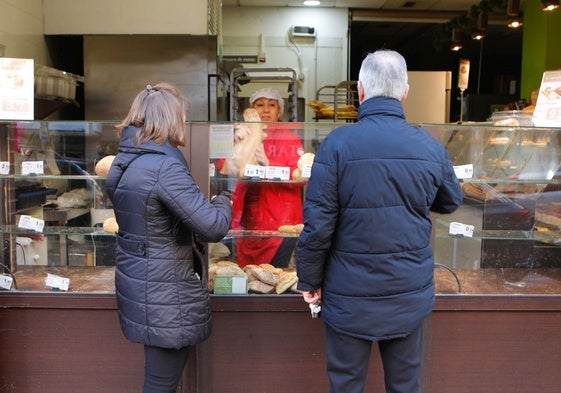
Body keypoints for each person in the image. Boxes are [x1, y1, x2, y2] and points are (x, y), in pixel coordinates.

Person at [296, 50, 463, 393]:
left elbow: (318, 225)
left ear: (360, 91)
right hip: (407, 293)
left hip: (347, 294)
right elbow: (451, 201)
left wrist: (309, 280)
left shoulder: (336, 145)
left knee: (346, 385)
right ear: (405, 92)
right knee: (405, 385)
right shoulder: (429, 148)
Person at [105, 82, 232, 393]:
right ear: (169, 120)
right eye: (181, 116)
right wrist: (224, 198)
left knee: (162, 381)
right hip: (165, 291)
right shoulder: (162, 167)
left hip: (142, 281)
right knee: (161, 384)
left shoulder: (125, 161)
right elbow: (213, 226)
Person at [221, 88, 305, 267]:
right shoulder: (244, 134)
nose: (266, 110)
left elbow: (300, 178)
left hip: (282, 222)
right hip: (247, 221)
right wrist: (238, 143)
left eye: (272, 105)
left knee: (275, 277)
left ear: (280, 111)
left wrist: (268, 163)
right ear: (252, 110)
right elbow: (223, 166)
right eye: (260, 105)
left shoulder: (291, 139)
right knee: (250, 277)